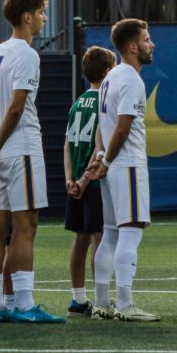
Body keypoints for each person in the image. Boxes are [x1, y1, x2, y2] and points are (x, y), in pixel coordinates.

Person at [0, 0, 64, 324]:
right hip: (20, 149)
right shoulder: (27, 54)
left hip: (0, 153)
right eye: (41, 12)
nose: (44, 18)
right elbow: (16, 107)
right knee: (26, 226)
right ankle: (25, 305)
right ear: (27, 16)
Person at [87, 18, 160, 323]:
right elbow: (122, 127)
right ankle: (126, 304)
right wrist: (105, 160)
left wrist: (102, 159)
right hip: (127, 164)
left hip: (113, 165)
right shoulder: (130, 78)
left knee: (111, 235)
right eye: (146, 39)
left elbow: (103, 129)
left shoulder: (110, 77)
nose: (151, 44)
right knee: (130, 233)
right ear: (132, 47)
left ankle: (102, 303)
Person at [63, 46, 113, 316]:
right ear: (108, 72)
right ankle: (100, 299)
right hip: (93, 182)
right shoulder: (104, 103)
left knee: (80, 238)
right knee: (98, 237)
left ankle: (78, 299)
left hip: (76, 181)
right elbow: (100, 144)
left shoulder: (77, 103)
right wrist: (83, 180)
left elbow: (68, 144)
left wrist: (70, 179)